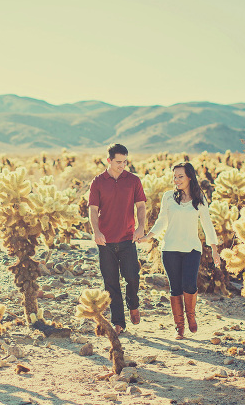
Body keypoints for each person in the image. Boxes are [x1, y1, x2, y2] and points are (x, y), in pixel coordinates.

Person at [138, 162, 220, 339]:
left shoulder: (199, 198)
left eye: (180, 176)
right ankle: (179, 327)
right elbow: (162, 221)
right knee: (175, 288)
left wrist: (214, 249)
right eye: (174, 177)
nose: (176, 180)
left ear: (189, 177)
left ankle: (191, 316)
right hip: (170, 249)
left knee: (189, 285)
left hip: (192, 248)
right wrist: (149, 236)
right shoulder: (168, 197)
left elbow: (207, 224)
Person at [88, 143, 147, 334]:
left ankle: (133, 304)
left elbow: (140, 206)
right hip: (105, 241)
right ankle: (119, 322)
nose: (122, 165)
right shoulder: (98, 182)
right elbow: (93, 210)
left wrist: (141, 226)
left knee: (132, 276)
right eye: (118, 162)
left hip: (127, 238)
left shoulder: (133, 180)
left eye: (125, 162)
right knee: (110, 282)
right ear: (109, 161)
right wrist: (96, 232)